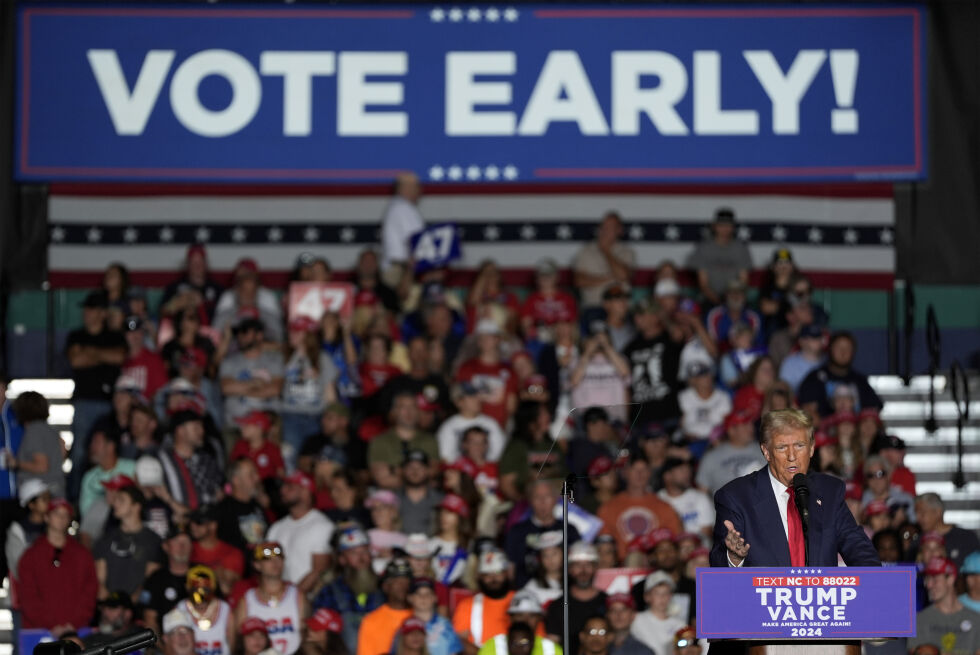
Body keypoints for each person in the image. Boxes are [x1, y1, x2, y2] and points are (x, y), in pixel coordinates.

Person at [710, 408, 880, 568]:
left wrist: (879, 583)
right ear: (766, 451)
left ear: (812, 448)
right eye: (782, 447)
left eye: (799, 446)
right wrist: (734, 559)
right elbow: (718, 565)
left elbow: (858, 547)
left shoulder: (828, 491)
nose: (792, 456)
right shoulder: (736, 497)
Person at [65, 290, 127, 500]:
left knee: (111, 451)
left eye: (91, 309)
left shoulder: (114, 336)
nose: (86, 313)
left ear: (102, 313)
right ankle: (74, 501)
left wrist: (90, 352)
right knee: (81, 453)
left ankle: (112, 495)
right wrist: (103, 356)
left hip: (109, 403)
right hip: (84, 403)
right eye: (86, 309)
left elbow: (119, 356)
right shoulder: (77, 335)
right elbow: (76, 360)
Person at [17, 498, 98, 634]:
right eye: (56, 513)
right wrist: (51, 625)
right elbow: (28, 596)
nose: (61, 518)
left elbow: (90, 590)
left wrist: (74, 623)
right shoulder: (31, 556)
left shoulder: (82, 554)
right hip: (39, 632)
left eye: (65, 515)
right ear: (47, 517)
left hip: (76, 630)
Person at [597, 454, 682, 560]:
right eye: (635, 469)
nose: (640, 474)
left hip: (656, 565)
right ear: (625, 473)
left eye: (644, 470)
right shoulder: (608, 508)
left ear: (649, 473)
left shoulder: (664, 507)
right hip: (622, 566)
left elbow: (675, 540)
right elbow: (604, 546)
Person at [314, 525, 384, 653]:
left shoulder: (385, 587)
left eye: (364, 551)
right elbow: (319, 636)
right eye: (353, 553)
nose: (361, 558)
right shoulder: (330, 593)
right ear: (342, 559)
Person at [236, 541, 309, 655]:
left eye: (278, 558)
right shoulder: (247, 601)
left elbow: (306, 637)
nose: (275, 562)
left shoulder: (297, 596)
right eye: (268, 558)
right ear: (257, 565)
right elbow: (240, 642)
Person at [267, 471, 335, 593]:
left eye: (290, 487)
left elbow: (319, 571)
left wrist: (292, 599)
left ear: (305, 492)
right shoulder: (276, 528)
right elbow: (268, 564)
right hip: (279, 599)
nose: (283, 490)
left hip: (309, 600)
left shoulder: (322, 526)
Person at [505, 480, 581, 587]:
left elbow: (579, 565)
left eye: (547, 496)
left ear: (556, 499)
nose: (542, 502)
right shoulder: (517, 532)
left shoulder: (569, 530)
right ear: (530, 501)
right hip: (528, 594)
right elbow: (510, 569)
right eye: (537, 497)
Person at [93, 484, 163, 600]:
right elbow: (99, 579)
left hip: (137, 608)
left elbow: (150, 580)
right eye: (115, 500)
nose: (115, 504)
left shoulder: (152, 540)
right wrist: (110, 605)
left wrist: (129, 606)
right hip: (109, 607)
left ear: (136, 506)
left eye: (121, 500)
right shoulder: (106, 537)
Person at [797, 332, 882, 418]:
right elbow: (807, 415)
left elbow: (874, 411)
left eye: (847, 348)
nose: (843, 352)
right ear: (830, 349)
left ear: (853, 352)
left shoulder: (860, 381)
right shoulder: (815, 378)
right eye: (839, 347)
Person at [219, 316, 285, 426]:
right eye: (238, 333)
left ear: (259, 335)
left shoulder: (274, 360)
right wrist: (255, 384)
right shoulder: (229, 361)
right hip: (236, 424)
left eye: (245, 332)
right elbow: (226, 388)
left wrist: (240, 388)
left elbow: (275, 389)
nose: (240, 336)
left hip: (267, 425)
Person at [544, 543, 607, 655]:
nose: (583, 570)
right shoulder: (557, 606)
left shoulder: (608, 603)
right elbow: (552, 646)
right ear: (569, 569)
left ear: (596, 567)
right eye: (577, 565)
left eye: (588, 565)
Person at [908, 558, 980, 655]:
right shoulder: (920, 620)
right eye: (927, 579)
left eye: (934, 579)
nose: (929, 585)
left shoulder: (975, 619)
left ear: (950, 579)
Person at [369, 391, 440, 489]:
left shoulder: (430, 440)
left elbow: (433, 472)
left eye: (413, 407)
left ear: (419, 411)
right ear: (394, 411)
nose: (409, 411)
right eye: (403, 407)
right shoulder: (380, 441)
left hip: (423, 499)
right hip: (390, 499)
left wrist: (393, 470)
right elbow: (382, 479)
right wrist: (417, 476)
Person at [572, 211, 636, 313]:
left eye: (611, 227)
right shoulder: (586, 251)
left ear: (619, 230)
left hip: (621, 309)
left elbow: (623, 275)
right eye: (604, 226)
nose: (606, 230)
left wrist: (606, 251)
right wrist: (611, 278)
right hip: (593, 307)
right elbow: (579, 281)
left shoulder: (627, 252)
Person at [453, 550, 515, 654]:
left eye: (498, 572)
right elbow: (460, 640)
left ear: (507, 573)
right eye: (487, 575)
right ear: (480, 577)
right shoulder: (468, 605)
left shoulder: (522, 601)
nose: (493, 579)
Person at [157, 410, 222, 509]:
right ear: (181, 431)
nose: (202, 431)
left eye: (201, 426)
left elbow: (224, 485)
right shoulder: (163, 460)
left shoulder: (206, 459)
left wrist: (224, 491)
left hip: (210, 518)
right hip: (178, 519)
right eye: (196, 427)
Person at [686, 208, 752, 306]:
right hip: (709, 298)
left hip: (736, 298)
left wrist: (733, 298)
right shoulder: (704, 247)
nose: (725, 228)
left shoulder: (741, 248)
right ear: (714, 226)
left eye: (728, 225)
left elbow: (743, 280)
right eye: (721, 225)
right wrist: (717, 300)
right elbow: (703, 283)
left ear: (733, 227)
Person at [694, 410, 767, 497]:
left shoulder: (764, 450)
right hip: (727, 507)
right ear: (731, 430)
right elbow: (701, 492)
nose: (751, 427)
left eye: (751, 423)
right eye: (745, 424)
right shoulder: (712, 456)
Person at [10, 391, 66, 498]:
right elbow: (62, 448)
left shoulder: (34, 430)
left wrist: (16, 463)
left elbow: (42, 466)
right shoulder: (50, 429)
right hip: (56, 491)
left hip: (40, 497)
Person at [142, 523, 193, 638]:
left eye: (186, 541)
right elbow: (149, 619)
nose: (182, 546)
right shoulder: (156, 579)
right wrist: (163, 648)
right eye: (176, 541)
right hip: (165, 645)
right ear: (165, 546)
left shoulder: (203, 574)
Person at [437, 382, 507, 463]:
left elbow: (499, 455)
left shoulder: (491, 424)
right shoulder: (448, 427)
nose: (478, 399)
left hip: (487, 471)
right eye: (472, 397)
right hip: (460, 471)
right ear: (458, 402)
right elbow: (446, 458)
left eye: (478, 396)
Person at [357, 558, 415, 655]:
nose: (404, 586)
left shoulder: (420, 615)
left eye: (407, 582)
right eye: (398, 582)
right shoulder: (371, 621)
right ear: (386, 587)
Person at [216, 458, 270, 554]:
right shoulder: (224, 510)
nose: (257, 478)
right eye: (251, 475)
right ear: (236, 480)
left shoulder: (257, 506)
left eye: (256, 473)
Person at [177, 565, 234, 655]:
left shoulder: (224, 609)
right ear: (188, 588)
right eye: (195, 590)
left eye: (205, 590)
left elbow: (231, 645)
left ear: (213, 588)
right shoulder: (181, 608)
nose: (200, 596)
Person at [189, 504, 245, 596]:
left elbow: (227, 590)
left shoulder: (231, 553)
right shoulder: (187, 548)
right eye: (191, 521)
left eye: (199, 522)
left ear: (213, 525)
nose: (193, 526)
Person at [914, 493, 980, 568]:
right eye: (916, 514)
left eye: (922, 513)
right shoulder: (917, 542)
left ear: (938, 512)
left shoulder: (966, 538)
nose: (917, 518)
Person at [381, 172, 425, 286]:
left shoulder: (397, 207)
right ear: (405, 188)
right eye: (417, 186)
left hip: (402, 268)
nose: (420, 190)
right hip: (400, 270)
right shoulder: (402, 208)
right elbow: (415, 241)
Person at [657, 457, 714, 541]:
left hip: (697, 548)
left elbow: (707, 532)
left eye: (688, 471)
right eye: (682, 471)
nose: (687, 475)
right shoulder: (658, 499)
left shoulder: (700, 498)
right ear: (667, 476)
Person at [628, 572, 686, 655]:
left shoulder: (680, 625)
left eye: (666, 593)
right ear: (647, 597)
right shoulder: (636, 620)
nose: (662, 597)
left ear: (671, 596)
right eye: (657, 593)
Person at [677, 362, 730, 445]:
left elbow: (727, 424)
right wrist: (686, 435)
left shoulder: (722, 397)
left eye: (707, 374)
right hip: (690, 441)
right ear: (692, 380)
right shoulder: (684, 397)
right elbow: (681, 424)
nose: (706, 378)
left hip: (716, 441)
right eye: (700, 376)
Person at [406, 577, 463, 655]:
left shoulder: (445, 626)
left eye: (428, 594)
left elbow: (454, 652)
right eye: (418, 593)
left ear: (435, 598)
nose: (423, 598)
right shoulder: (405, 626)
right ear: (410, 598)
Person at [399, 449, 443, 536]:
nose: (415, 471)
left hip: (431, 546)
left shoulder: (440, 500)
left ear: (427, 471)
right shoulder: (392, 499)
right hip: (399, 546)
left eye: (420, 467)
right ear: (403, 470)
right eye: (410, 467)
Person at [778, 324, 825, 394]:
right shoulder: (789, 363)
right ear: (801, 341)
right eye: (810, 338)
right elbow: (784, 393)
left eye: (817, 337)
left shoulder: (828, 361)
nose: (816, 341)